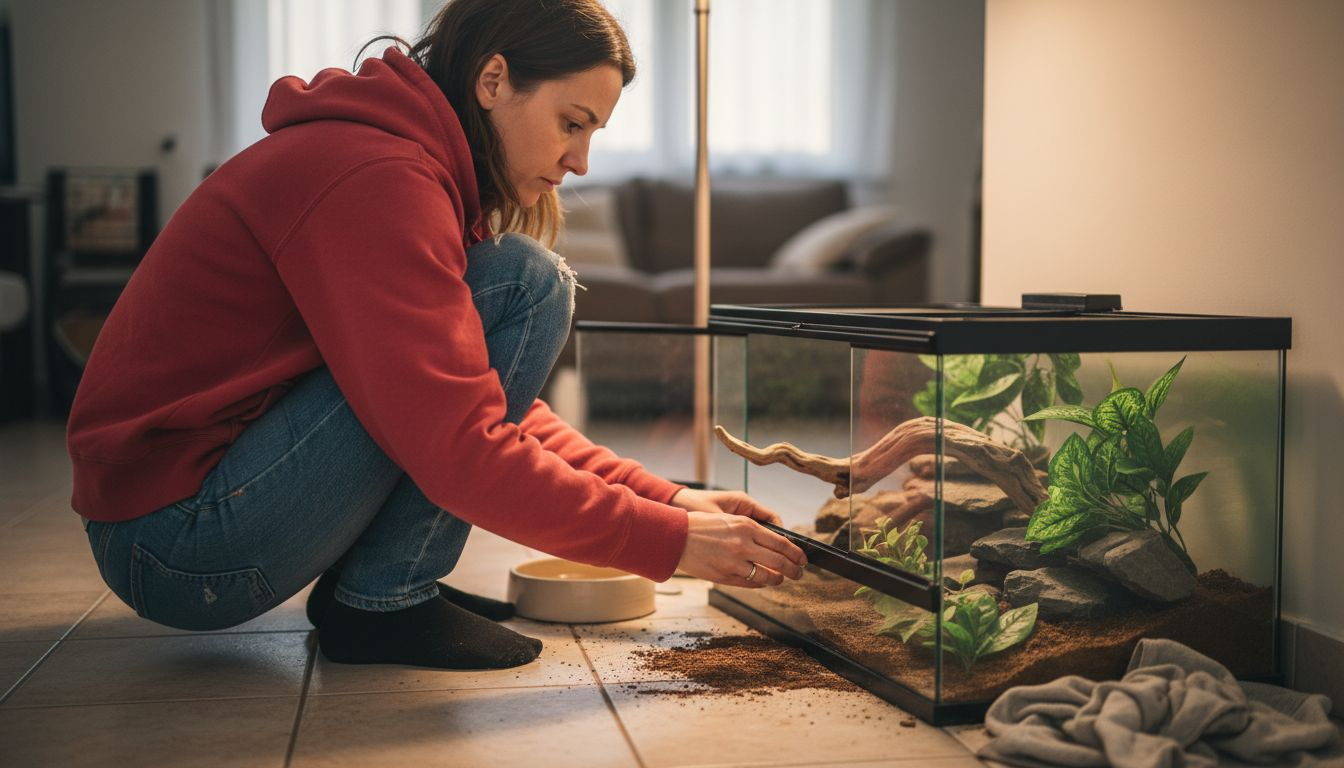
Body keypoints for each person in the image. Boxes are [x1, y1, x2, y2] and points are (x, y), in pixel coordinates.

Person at [66, 0, 807, 671]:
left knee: (506, 293)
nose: (581, 161)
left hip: (184, 519)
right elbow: (459, 440)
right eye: (572, 123)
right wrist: (672, 544)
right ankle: (382, 600)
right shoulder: (376, 176)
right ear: (492, 81)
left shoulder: (394, 162)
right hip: (177, 545)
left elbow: (468, 396)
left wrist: (671, 499)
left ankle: (386, 588)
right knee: (526, 279)